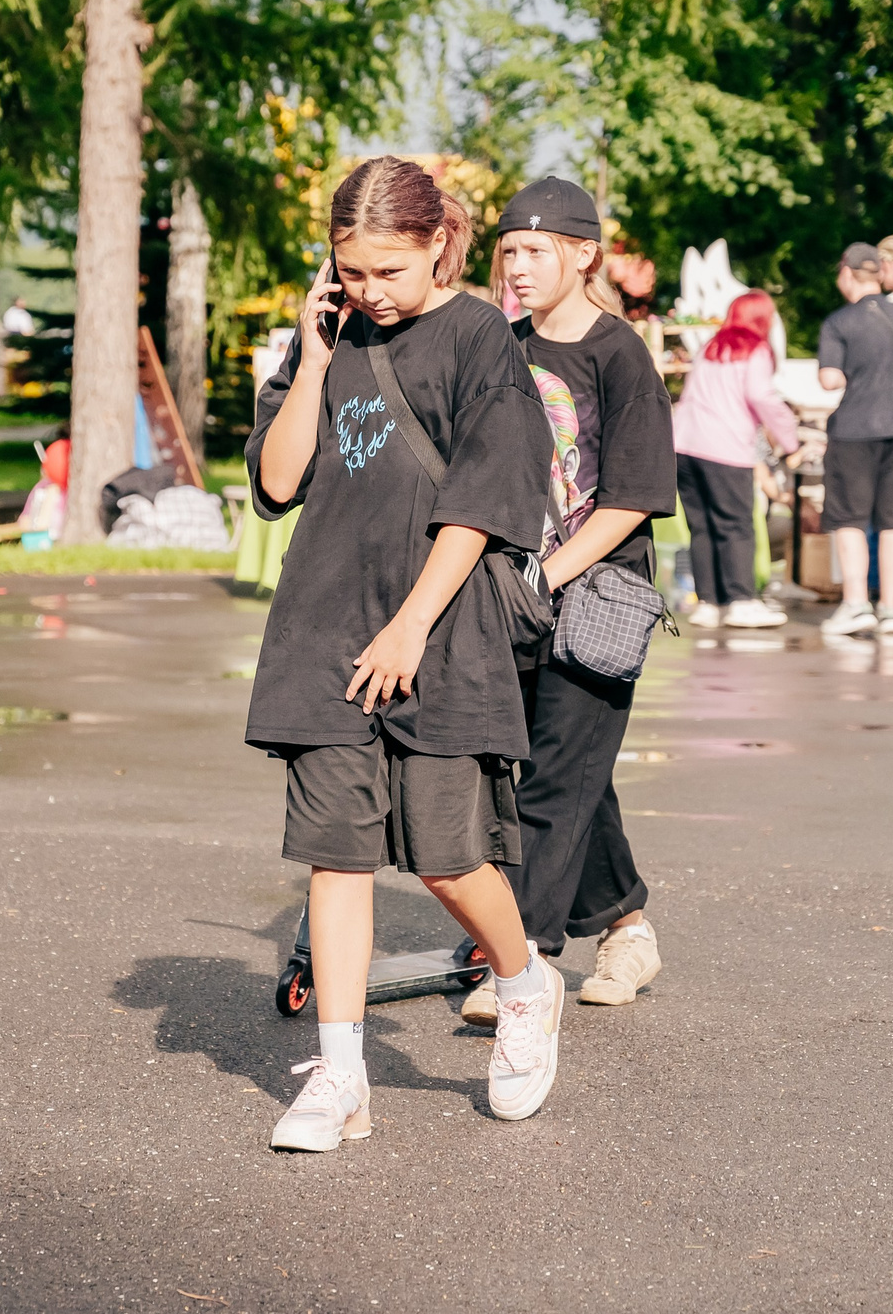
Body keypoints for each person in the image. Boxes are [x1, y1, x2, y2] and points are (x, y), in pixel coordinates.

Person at [245, 155, 560, 1152]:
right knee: (335, 858)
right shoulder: (331, 338)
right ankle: (340, 1074)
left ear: (437, 243)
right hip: (324, 626)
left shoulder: (479, 340)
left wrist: (412, 622)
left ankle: (521, 983)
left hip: (439, 629)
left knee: (447, 855)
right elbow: (280, 478)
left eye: (389, 269)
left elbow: (484, 499)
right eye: (352, 269)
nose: (370, 290)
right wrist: (309, 350)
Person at [462, 175, 678, 1021]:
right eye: (507, 250)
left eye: (533, 250)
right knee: (563, 772)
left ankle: (524, 963)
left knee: (553, 776)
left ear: (583, 254)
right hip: (514, 597)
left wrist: (546, 574)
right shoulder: (502, 347)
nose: (515, 266)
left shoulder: (620, 355)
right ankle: (628, 927)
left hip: (595, 598)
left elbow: (631, 494)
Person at [816, 243, 893, 637]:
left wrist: (861, 383)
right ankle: (889, 608)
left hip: (853, 428)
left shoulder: (838, 323)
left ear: (847, 273)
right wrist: (892, 387)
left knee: (850, 518)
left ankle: (855, 604)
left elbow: (829, 379)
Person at [672, 290, 799, 630]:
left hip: (685, 444)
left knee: (701, 528)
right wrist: (791, 439)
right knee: (736, 525)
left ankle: (709, 603)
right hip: (724, 448)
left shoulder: (711, 347)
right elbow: (762, 397)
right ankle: (742, 600)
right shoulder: (756, 350)